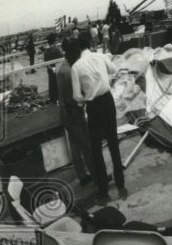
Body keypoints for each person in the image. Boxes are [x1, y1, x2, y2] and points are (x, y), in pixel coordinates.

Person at [72, 33, 126, 202]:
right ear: (90, 44)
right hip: (107, 101)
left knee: (96, 149)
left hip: (93, 105)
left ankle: (103, 190)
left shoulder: (76, 66)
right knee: (113, 143)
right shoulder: (101, 56)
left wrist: (83, 101)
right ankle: (121, 183)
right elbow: (113, 70)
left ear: (77, 48)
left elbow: (76, 96)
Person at [57, 38, 94, 186]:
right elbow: (75, 98)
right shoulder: (69, 72)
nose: (79, 58)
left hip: (64, 113)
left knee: (74, 145)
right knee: (86, 145)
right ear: (72, 53)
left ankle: (82, 175)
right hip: (73, 113)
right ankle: (97, 177)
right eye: (77, 55)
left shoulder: (61, 69)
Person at [43, 33, 64, 103]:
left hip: (50, 70)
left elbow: (45, 62)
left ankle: (52, 97)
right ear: (54, 41)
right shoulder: (57, 50)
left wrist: (50, 69)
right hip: (57, 70)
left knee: (52, 84)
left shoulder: (45, 52)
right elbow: (62, 58)